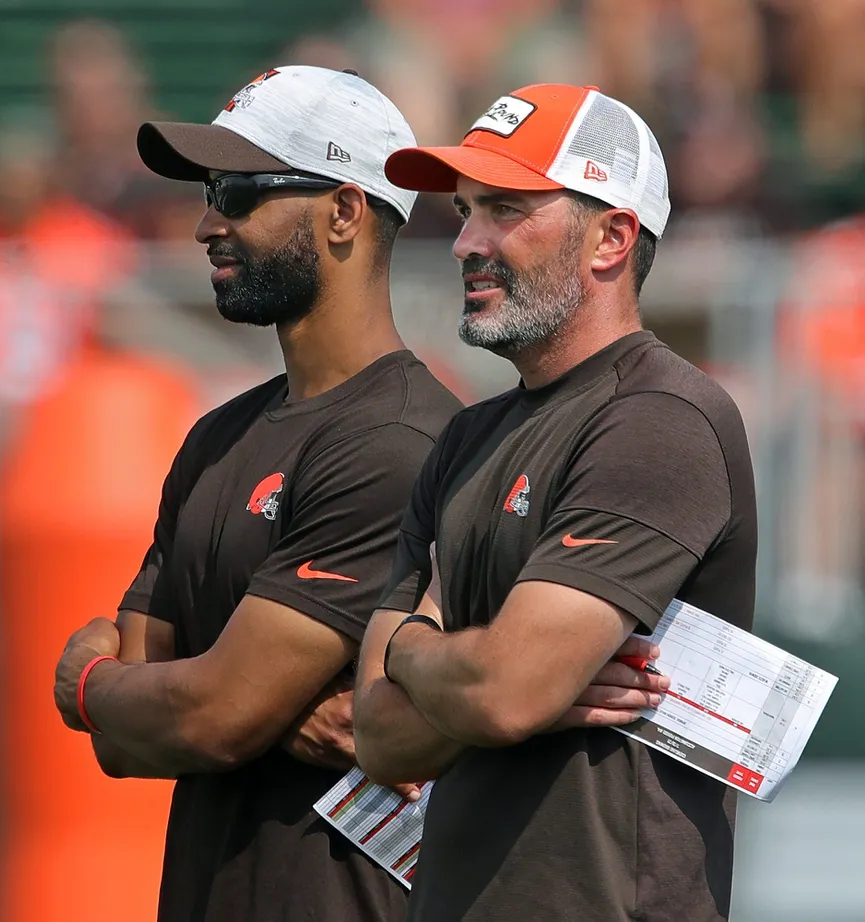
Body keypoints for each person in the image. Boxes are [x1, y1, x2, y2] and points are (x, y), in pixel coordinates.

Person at [51, 68, 658, 922]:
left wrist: (89, 686)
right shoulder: (216, 436)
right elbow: (138, 737)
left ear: (343, 212)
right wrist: (186, 704)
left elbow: (209, 717)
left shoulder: (399, 443)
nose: (205, 224)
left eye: (237, 191)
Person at [354, 83, 757, 922]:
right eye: (465, 211)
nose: (465, 241)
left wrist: (417, 646)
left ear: (611, 237)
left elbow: (506, 692)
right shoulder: (466, 439)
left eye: (504, 208)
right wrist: (485, 683)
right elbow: (379, 735)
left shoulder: (658, 417)